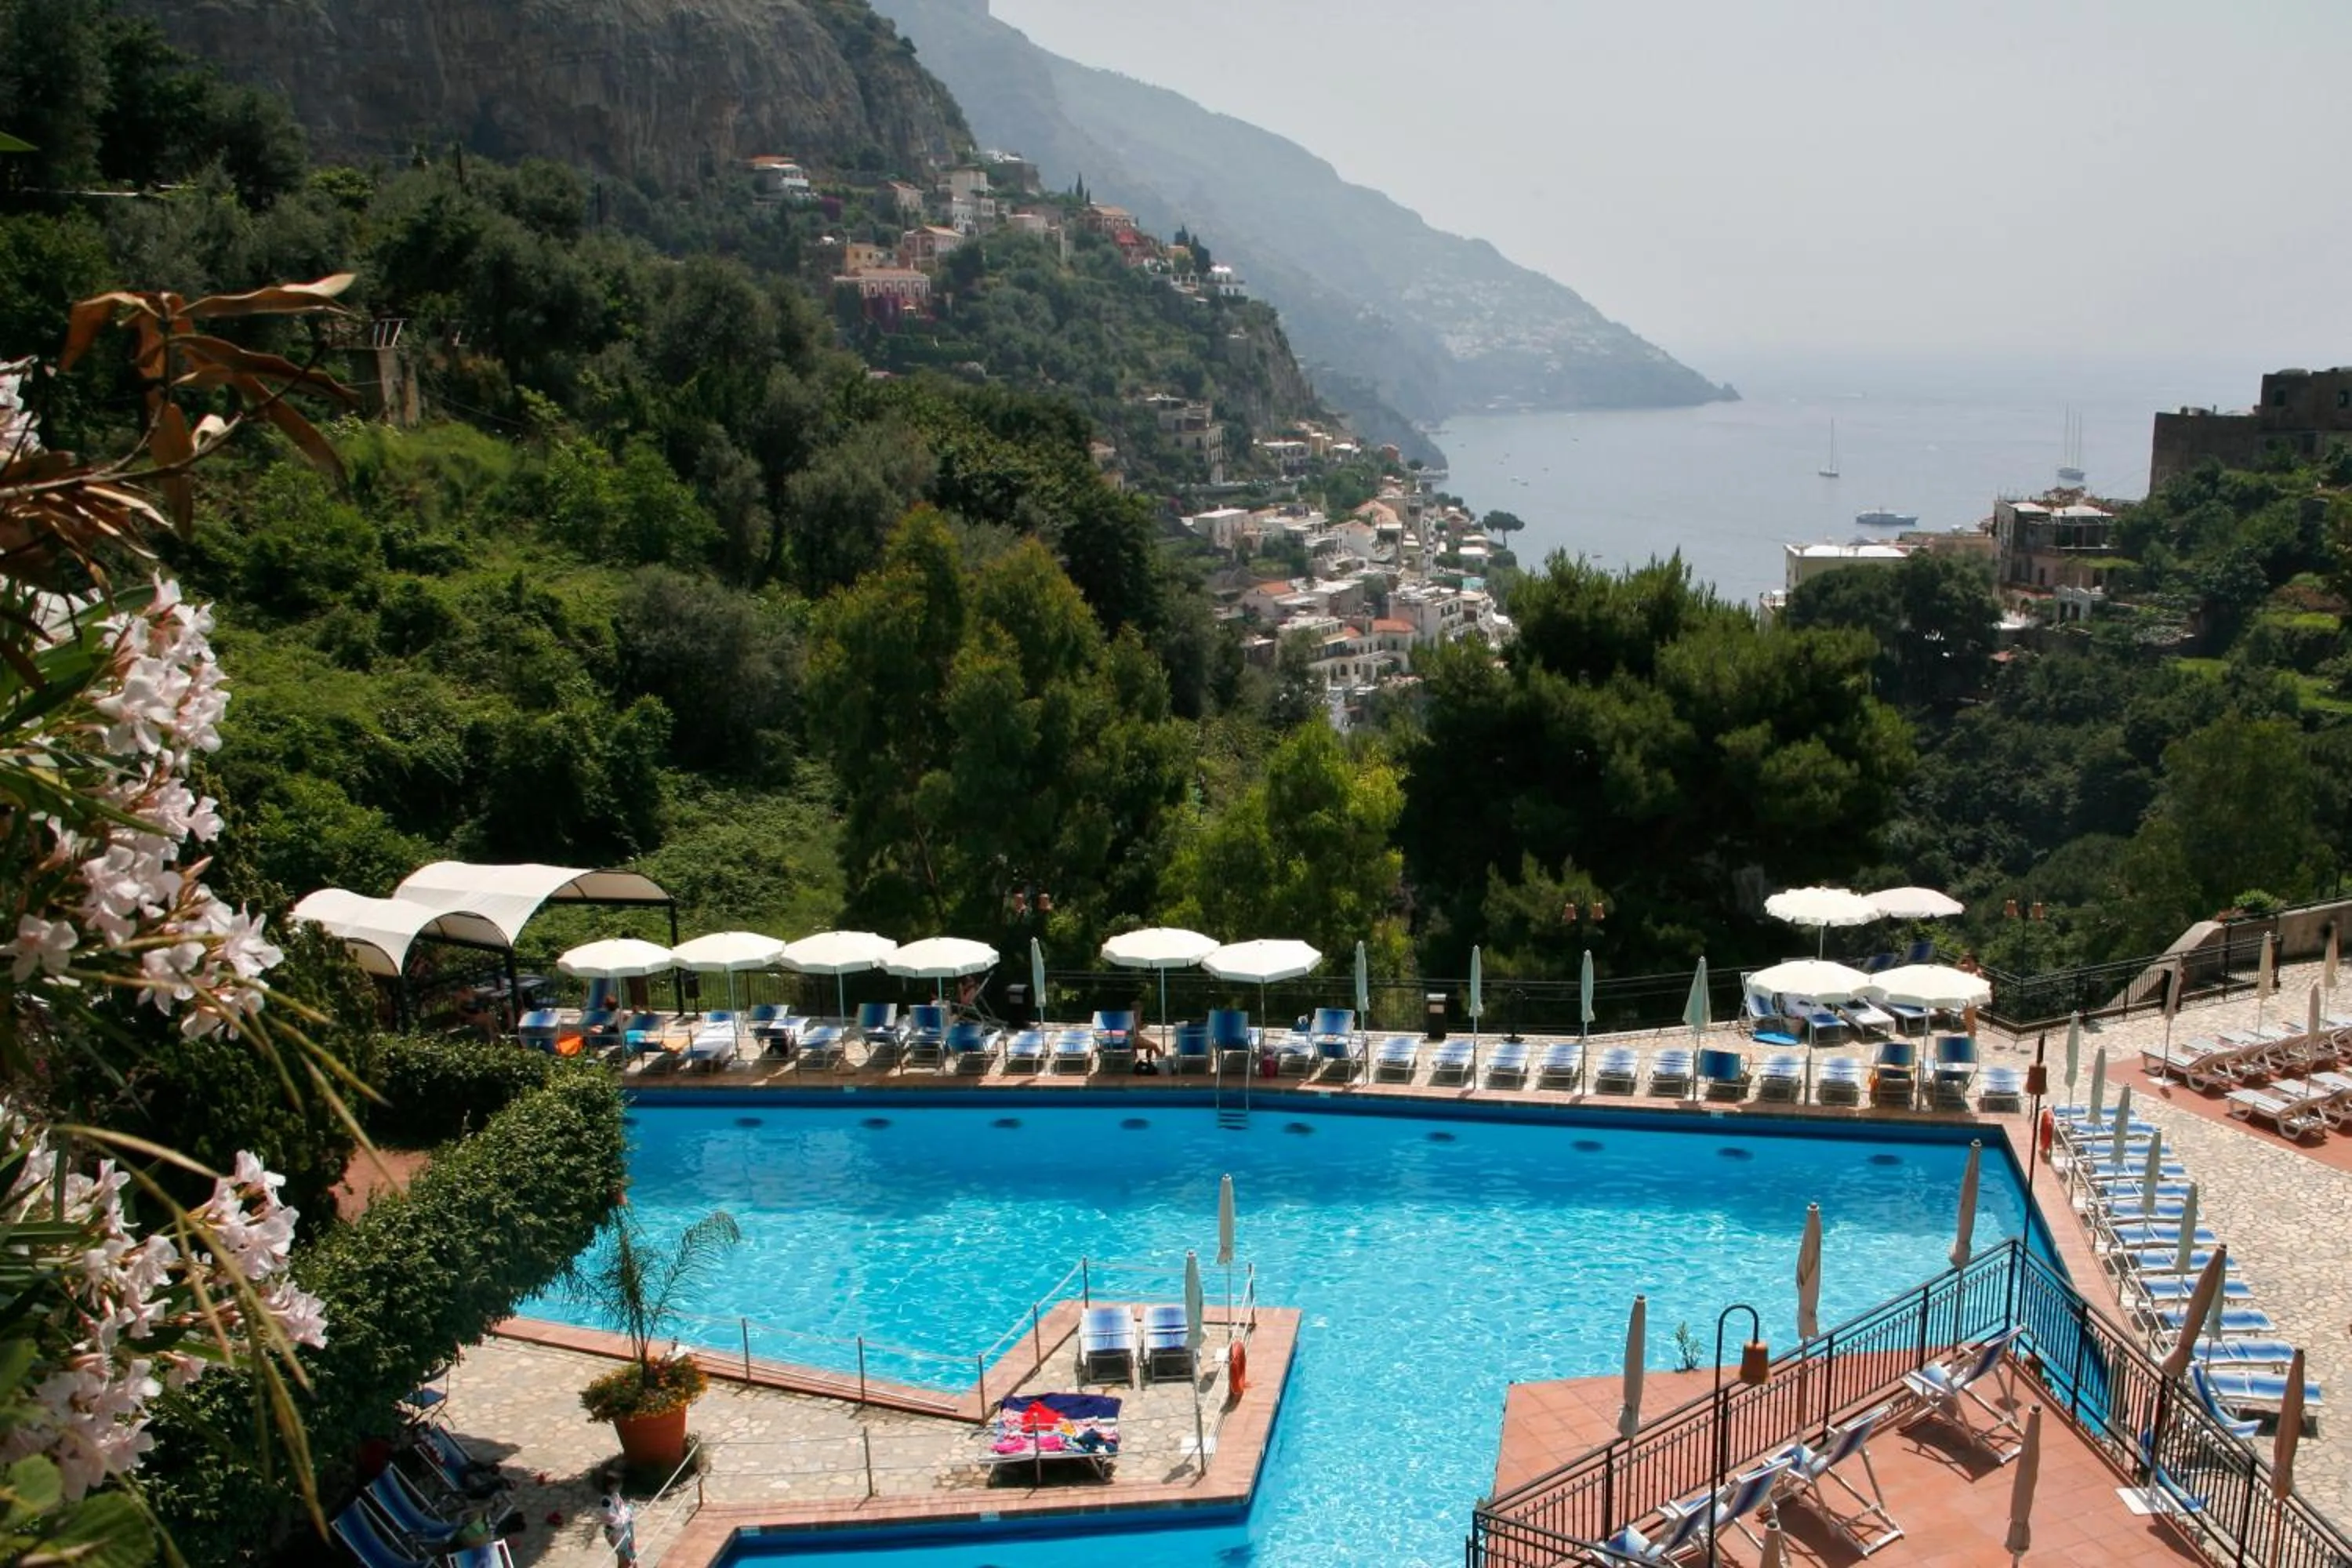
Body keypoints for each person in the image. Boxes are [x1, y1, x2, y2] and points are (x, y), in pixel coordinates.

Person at [600, 1491, 637, 1567]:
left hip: (625, 1529)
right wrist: (630, 1508)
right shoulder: (605, 1502)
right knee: (624, 1558)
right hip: (615, 1534)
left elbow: (622, 1509)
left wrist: (629, 1508)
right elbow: (618, 1522)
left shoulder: (616, 1495)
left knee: (630, 1555)